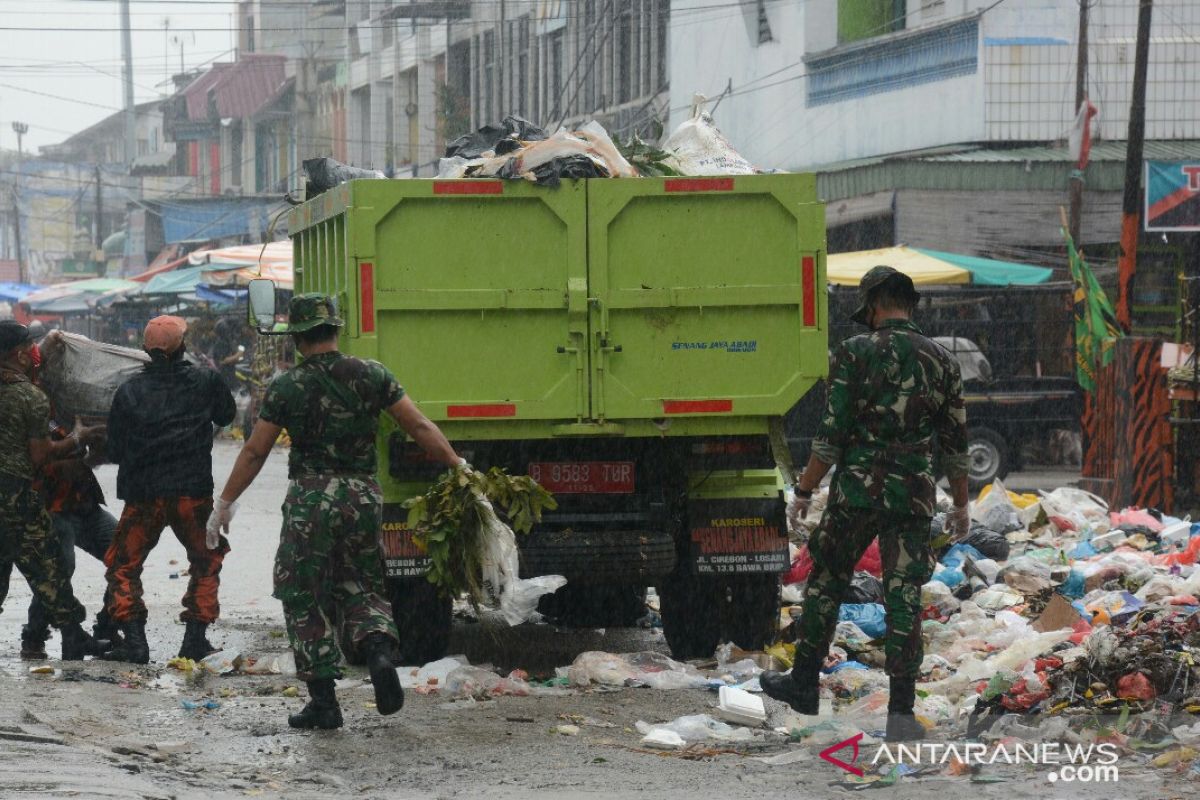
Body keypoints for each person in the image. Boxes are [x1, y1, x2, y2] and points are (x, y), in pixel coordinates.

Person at [207, 294, 463, 730]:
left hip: (312, 498)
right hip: (363, 495)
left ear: (298, 337)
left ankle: (324, 701)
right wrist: (459, 467)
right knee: (362, 584)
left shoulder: (287, 387)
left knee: (302, 593)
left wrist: (224, 502)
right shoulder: (373, 375)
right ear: (334, 330)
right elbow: (419, 427)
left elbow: (254, 450)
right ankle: (379, 649)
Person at [759, 266, 971, 743]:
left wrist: (805, 490)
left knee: (827, 581)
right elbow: (956, 446)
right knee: (903, 599)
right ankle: (900, 714)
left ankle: (804, 685)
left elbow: (831, 434)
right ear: (910, 304)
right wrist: (960, 507)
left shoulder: (854, 353)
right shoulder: (942, 361)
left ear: (875, 304)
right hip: (912, 498)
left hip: (856, 493)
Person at [101, 315, 236, 664]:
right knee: (206, 562)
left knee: (123, 566)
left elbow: (113, 449)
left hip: (143, 494)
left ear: (145, 351)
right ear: (183, 349)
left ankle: (134, 643)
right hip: (192, 494)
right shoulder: (206, 380)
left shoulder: (128, 391)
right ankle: (194, 641)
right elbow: (226, 415)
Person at [0, 320, 107, 660]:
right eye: (30, 348)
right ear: (19, 355)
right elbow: (40, 455)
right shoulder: (30, 397)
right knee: (49, 569)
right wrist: (77, 439)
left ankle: (70, 636)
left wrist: (48, 345)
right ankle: (71, 636)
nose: (36, 353)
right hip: (15, 496)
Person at [21, 417, 121, 660]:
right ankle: (36, 635)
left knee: (125, 553)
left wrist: (96, 447)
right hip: (50, 507)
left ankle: (107, 625)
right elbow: (39, 457)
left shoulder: (61, 413)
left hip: (82, 503)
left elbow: (85, 460)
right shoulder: (25, 408)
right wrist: (79, 437)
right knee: (60, 568)